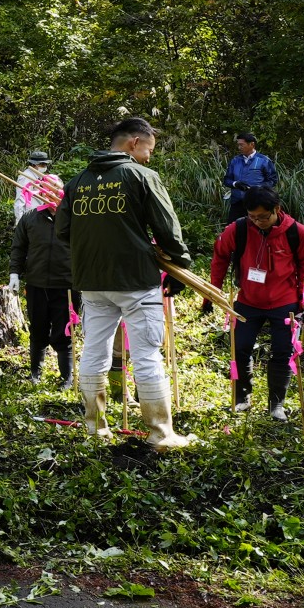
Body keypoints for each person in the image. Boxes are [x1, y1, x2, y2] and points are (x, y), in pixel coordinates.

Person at [55, 116, 195, 448]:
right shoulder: (141, 175)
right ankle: (161, 434)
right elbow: (167, 228)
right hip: (135, 279)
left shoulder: (77, 182)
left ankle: (95, 431)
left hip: (90, 280)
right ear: (134, 142)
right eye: (149, 148)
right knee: (147, 353)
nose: (149, 156)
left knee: (94, 350)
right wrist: (181, 264)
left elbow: (62, 231)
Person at [207, 187, 304, 421]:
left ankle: (276, 404)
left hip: (284, 302)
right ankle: (241, 398)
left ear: (276, 209)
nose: (258, 222)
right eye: (252, 217)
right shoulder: (238, 229)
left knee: (283, 351)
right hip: (248, 301)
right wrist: (212, 292)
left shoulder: (297, 232)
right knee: (240, 347)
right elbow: (220, 257)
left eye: (263, 217)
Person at [9, 175, 79, 387]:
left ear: (61, 190)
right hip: (37, 284)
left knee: (64, 332)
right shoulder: (30, 218)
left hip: (67, 284)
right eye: (43, 189)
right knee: (38, 330)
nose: (47, 192)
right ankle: (35, 374)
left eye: (53, 188)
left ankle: (67, 377)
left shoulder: (74, 216)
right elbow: (19, 247)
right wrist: (15, 273)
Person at [223, 132, 277, 223]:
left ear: (252, 144)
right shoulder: (235, 161)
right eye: (238, 145)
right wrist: (235, 184)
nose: (239, 147)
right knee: (233, 230)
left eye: (241, 145)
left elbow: (273, 180)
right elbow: (226, 180)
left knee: (255, 230)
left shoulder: (264, 160)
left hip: (257, 203)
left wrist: (257, 188)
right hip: (237, 203)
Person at [14, 151, 54, 222]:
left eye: (45, 164)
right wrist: (20, 222)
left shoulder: (40, 176)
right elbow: (20, 200)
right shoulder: (26, 177)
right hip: (29, 216)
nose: (45, 166)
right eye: (42, 164)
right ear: (34, 164)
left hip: (39, 214)